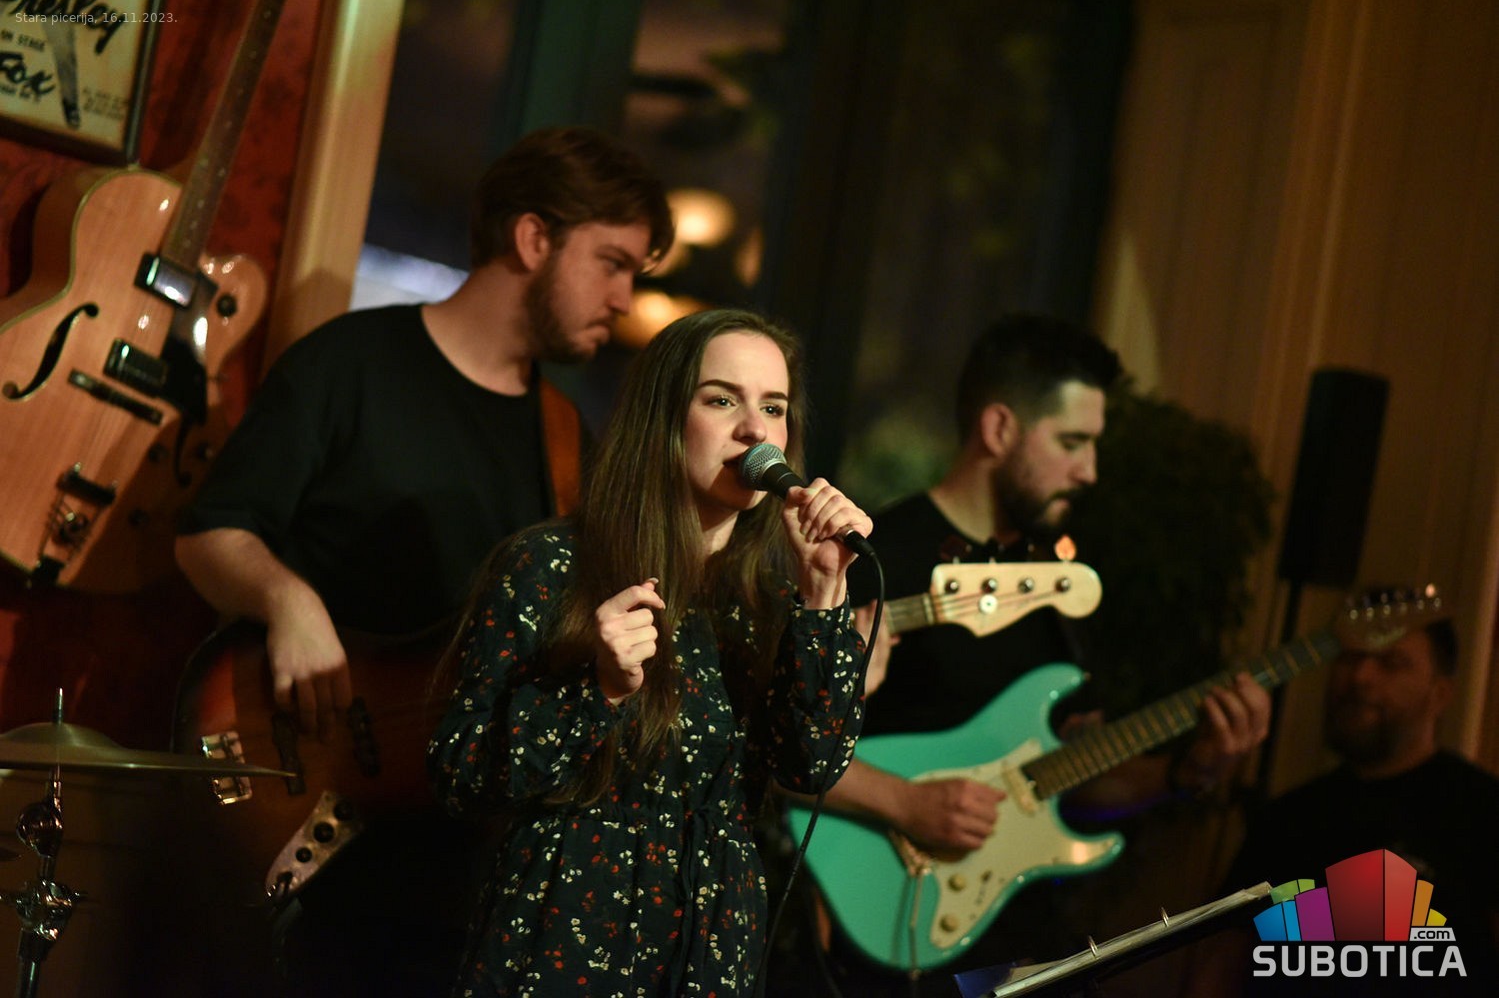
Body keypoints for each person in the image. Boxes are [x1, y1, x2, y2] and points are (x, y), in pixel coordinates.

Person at [172, 126, 674, 996]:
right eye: (612, 263)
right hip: (308, 820)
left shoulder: (565, 441)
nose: (625, 299)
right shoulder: (351, 363)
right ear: (533, 238)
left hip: (453, 870)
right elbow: (207, 535)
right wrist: (289, 602)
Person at [790, 313, 1273, 996]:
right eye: (1072, 442)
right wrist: (906, 804)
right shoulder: (875, 557)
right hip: (895, 939)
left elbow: (1069, 782)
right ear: (998, 429)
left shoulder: (1057, 582)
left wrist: (1186, 770)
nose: (1089, 471)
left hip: (1024, 947)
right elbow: (782, 750)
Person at [427, 308, 873, 996]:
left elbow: (812, 766)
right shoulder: (550, 566)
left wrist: (823, 595)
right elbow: (458, 774)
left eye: (773, 408)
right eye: (721, 400)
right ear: (663, 418)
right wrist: (596, 691)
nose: (755, 430)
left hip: (710, 956)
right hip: (567, 941)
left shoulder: (774, 604)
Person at [1193, 591, 1499, 996]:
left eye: (1391, 662)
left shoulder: (1484, 810)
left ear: (1439, 693)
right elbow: (1222, 964)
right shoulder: (1288, 816)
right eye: (1351, 657)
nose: (1361, 677)